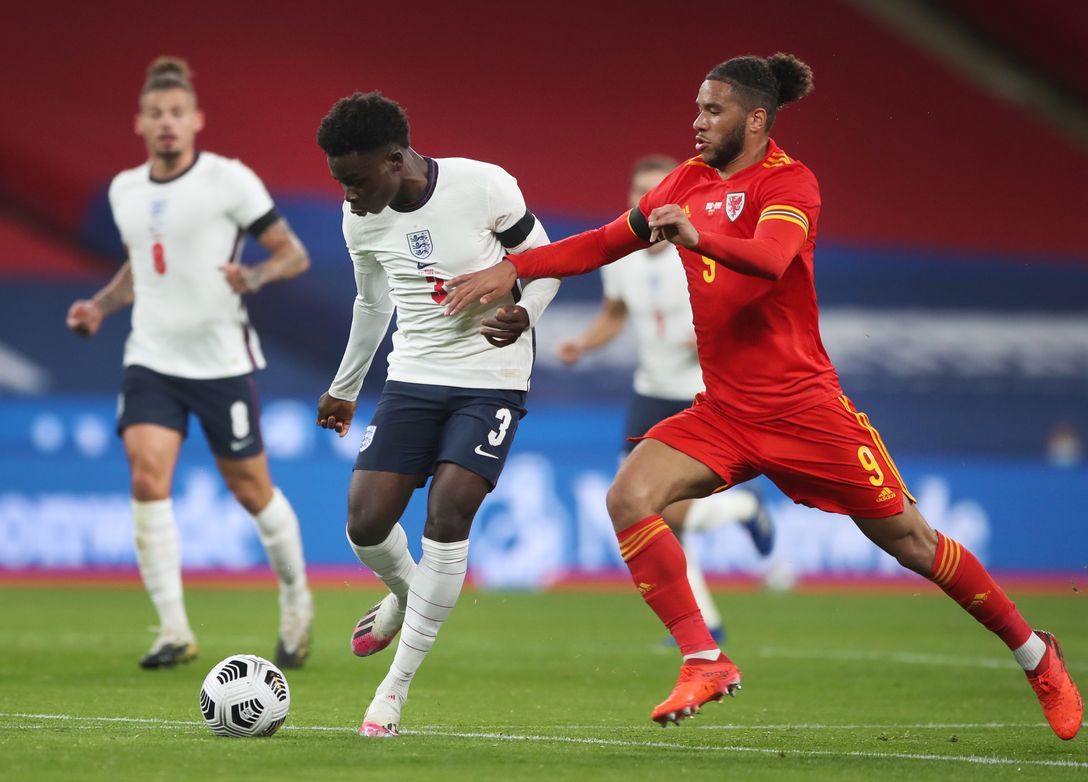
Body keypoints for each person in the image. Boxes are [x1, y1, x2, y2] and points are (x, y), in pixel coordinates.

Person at [444, 53, 1082, 740]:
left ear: (754, 118)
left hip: (805, 409)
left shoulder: (792, 182)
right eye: (695, 108)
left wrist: (701, 236)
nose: (697, 123)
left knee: (914, 543)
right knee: (628, 497)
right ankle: (704, 658)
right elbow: (602, 244)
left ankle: (1035, 654)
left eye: (712, 110)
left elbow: (774, 259)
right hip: (724, 410)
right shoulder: (684, 184)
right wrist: (511, 267)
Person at [314, 91, 559, 737]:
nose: (348, 195)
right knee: (365, 523)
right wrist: (345, 388)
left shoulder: (484, 185)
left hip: (492, 377)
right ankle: (406, 594)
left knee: (448, 511)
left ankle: (391, 694)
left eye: (357, 181)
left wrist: (524, 315)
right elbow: (372, 306)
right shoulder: (358, 221)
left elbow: (548, 266)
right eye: (340, 182)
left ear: (396, 160)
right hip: (414, 378)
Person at [66, 57, 314, 671]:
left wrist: (253, 274)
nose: (167, 123)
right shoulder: (125, 191)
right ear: (140, 124)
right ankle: (174, 630)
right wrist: (99, 307)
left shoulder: (229, 181)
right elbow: (141, 266)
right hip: (150, 358)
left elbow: (293, 253)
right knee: (148, 479)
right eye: (156, 114)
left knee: (251, 490)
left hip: (220, 361)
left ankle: (295, 600)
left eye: (177, 113)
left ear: (196, 119)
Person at [556, 154, 775, 645]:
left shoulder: (699, 251)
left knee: (663, 510)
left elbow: (750, 310)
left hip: (698, 393)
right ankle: (710, 619)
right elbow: (614, 314)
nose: (647, 201)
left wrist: (707, 337)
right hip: (648, 391)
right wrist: (583, 344)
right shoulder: (623, 259)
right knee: (646, 511)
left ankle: (742, 511)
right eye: (640, 192)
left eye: (658, 191)